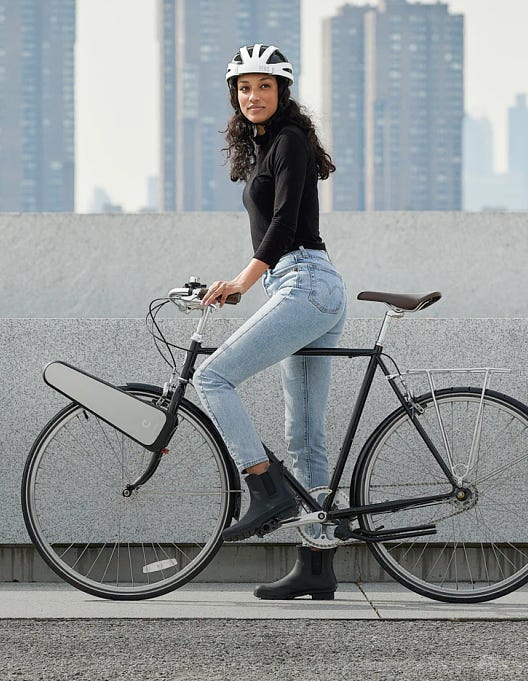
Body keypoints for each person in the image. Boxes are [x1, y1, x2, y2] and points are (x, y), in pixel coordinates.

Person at [193, 43, 346, 601]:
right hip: (301, 286)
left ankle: (263, 489)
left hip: (305, 282)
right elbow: (276, 234)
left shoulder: (290, 140)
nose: (252, 96)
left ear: (283, 92)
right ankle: (317, 564)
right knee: (304, 437)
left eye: (263, 86)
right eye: (243, 87)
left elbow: (284, 224)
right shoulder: (264, 149)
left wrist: (241, 281)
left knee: (212, 378)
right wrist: (243, 286)